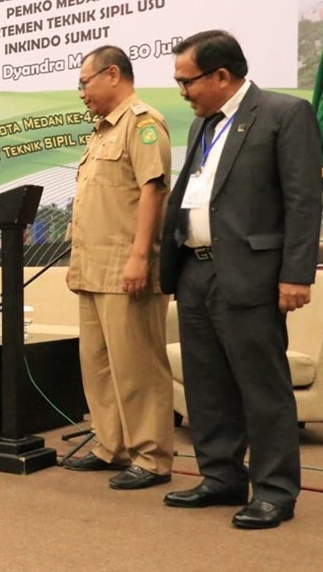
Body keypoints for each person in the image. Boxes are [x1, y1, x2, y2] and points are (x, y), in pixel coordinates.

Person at [159, 30, 323, 529]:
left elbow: (303, 201)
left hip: (252, 272)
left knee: (261, 385)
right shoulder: (202, 126)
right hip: (195, 270)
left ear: (222, 76)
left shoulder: (283, 115)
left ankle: (274, 491)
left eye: (186, 81)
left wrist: (296, 274)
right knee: (208, 384)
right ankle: (221, 477)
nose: (181, 91)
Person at [62, 46, 174, 490]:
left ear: (112, 74)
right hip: (91, 270)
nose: (82, 92)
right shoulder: (100, 133)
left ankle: (152, 456)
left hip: (127, 268)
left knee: (138, 366)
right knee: (99, 366)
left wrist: (140, 256)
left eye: (84, 82)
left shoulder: (143, 124)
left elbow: (154, 190)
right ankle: (113, 447)